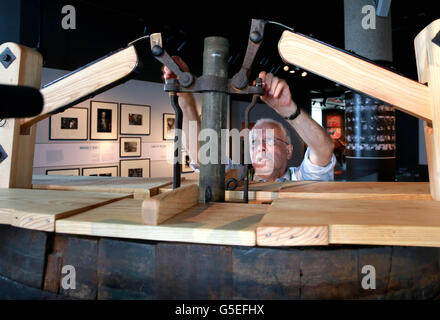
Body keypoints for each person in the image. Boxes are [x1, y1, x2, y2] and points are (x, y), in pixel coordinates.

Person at [163, 57, 336, 182]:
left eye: (269, 140)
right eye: (253, 142)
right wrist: (184, 98)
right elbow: (202, 155)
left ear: (289, 151)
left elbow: (324, 148)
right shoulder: (237, 176)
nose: (259, 147)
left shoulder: (302, 179)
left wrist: (289, 108)